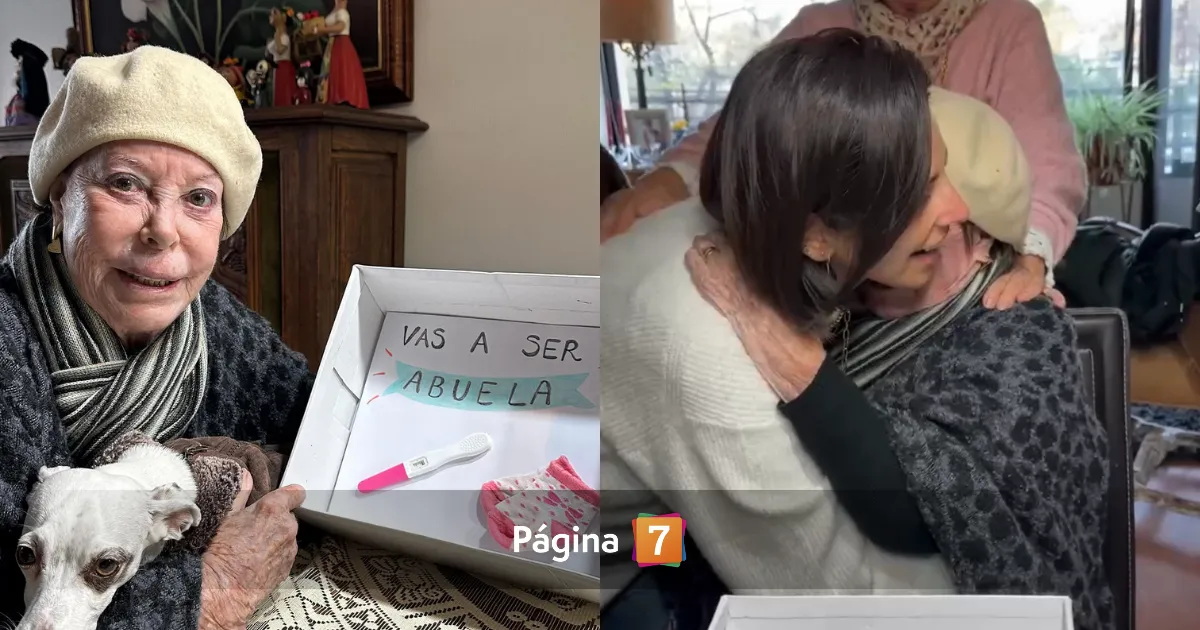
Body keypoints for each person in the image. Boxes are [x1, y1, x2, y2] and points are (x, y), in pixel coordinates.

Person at [600, 31, 1111, 630]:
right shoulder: (706, 344)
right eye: (921, 191)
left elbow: (923, 525)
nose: (955, 211)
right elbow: (827, 599)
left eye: (953, 188)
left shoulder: (1009, 334)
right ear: (816, 236)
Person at [0, 46, 311, 629]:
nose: (163, 231)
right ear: (61, 197)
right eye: (126, 184)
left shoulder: (214, 318)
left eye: (199, 198)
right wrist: (214, 588)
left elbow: (318, 418)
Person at [601, 0, 1085, 315]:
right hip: (840, 303)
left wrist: (1031, 257)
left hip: (960, 300)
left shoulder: (1007, 22)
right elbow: (744, 127)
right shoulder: (820, 24)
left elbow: (1050, 164)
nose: (954, 208)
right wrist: (669, 176)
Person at [308, 0, 370, 109]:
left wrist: (323, 29)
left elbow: (340, 26)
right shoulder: (335, 10)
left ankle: (341, 97)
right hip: (332, 44)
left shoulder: (343, 12)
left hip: (341, 44)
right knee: (331, 70)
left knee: (340, 70)